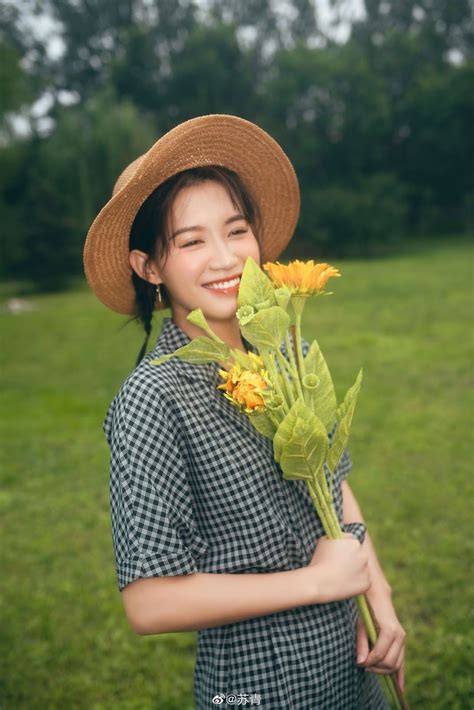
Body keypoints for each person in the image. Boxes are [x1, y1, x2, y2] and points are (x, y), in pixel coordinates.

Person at [83, 114, 406, 709]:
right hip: (264, 687)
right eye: (191, 241)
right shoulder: (152, 399)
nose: (225, 257)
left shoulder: (286, 348)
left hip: (352, 664)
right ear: (149, 268)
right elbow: (149, 602)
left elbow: (331, 481)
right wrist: (318, 582)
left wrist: (377, 595)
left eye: (236, 230)